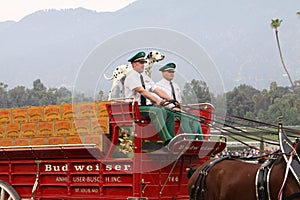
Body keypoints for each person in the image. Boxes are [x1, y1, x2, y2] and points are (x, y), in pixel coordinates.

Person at [124, 52, 176, 146]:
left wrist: (170, 99)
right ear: (134, 64)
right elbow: (142, 91)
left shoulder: (145, 77)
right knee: (156, 111)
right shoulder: (131, 77)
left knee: (170, 113)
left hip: (145, 107)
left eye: (143, 62)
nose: (143, 64)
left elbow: (156, 89)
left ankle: (172, 139)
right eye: (140, 62)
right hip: (135, 109)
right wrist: (158, 101)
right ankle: (167, 140)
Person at [156, 63, 203, 138]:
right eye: (169, 72)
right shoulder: (158, 86)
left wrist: (180, 105)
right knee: (184, 117)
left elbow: (179, 100)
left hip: (178, 110)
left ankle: (200, 140)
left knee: (195, 118)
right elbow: (159, 103)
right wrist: (174, 108)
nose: (172, 74)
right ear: (163, 73)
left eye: (173, 72)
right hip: (168, 111)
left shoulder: (176, 86)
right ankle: (190, 140)